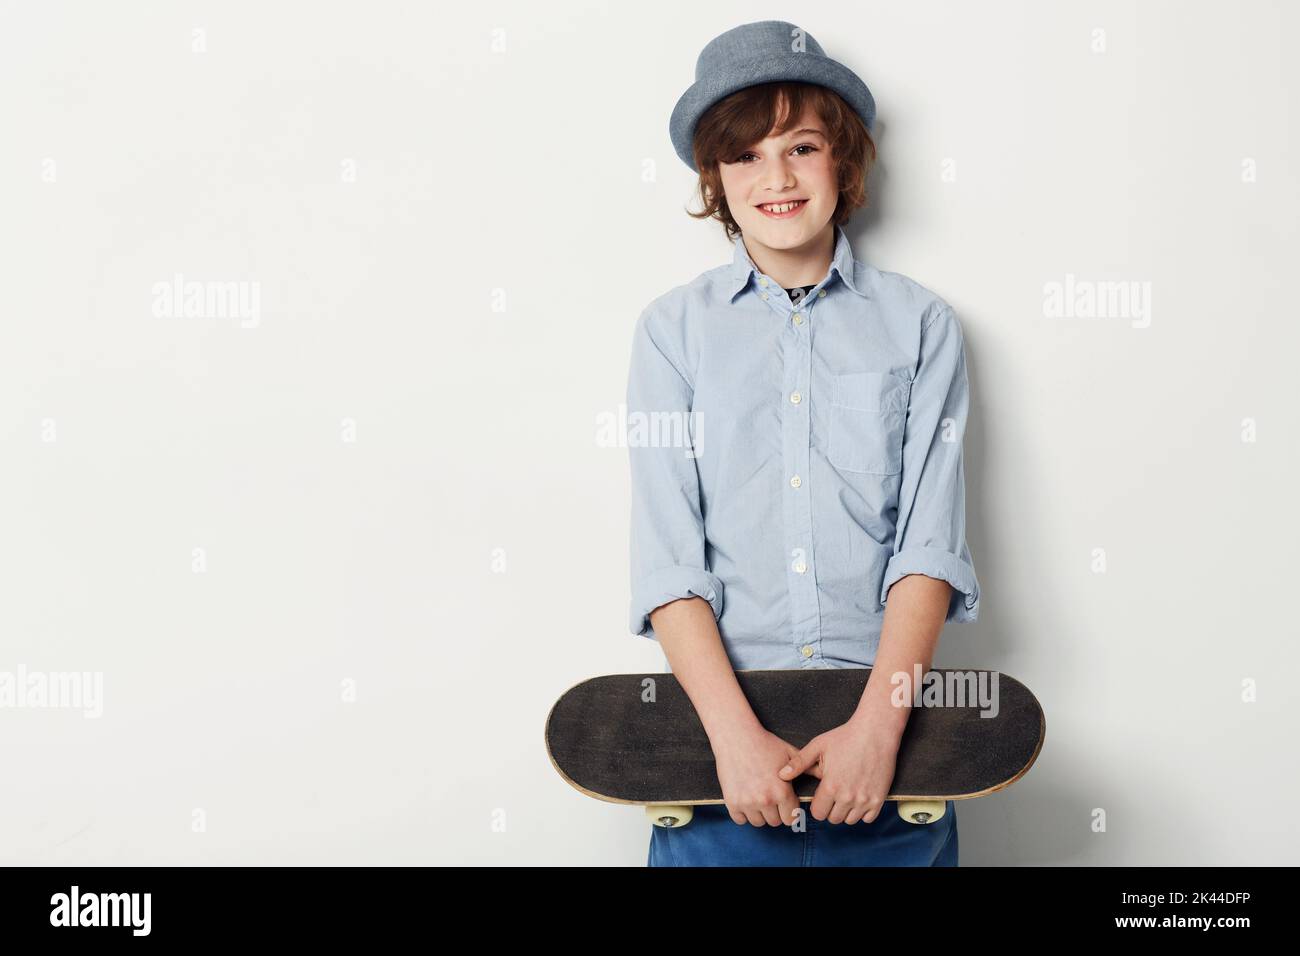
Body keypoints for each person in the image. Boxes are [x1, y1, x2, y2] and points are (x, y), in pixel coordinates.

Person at [626, 20, 981, 867]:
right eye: (744, 155)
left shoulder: (921, 325)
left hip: (889, 755)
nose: (775, 178)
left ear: (843, 161)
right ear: (714, 176)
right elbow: (668, 557)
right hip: (722, 763)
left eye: (802, 146)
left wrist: (876, 728)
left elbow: (928, 547)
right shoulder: (672, 333)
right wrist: (734, 740)